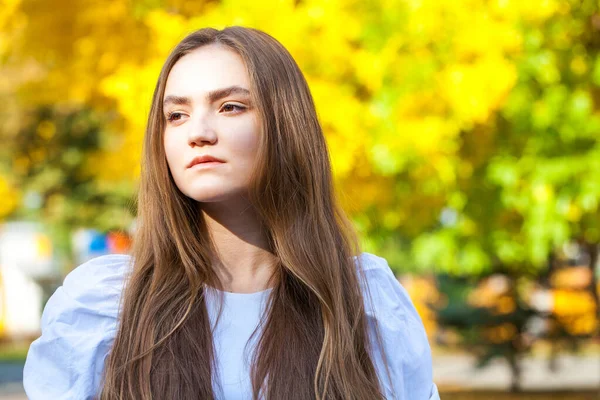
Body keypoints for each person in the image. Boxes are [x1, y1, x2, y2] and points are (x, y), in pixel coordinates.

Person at [23, 26, 440, 400]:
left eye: (230, 107)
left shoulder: (365, 305)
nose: (199, 133)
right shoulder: (105, 308)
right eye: (177, 115)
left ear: (286, 125)